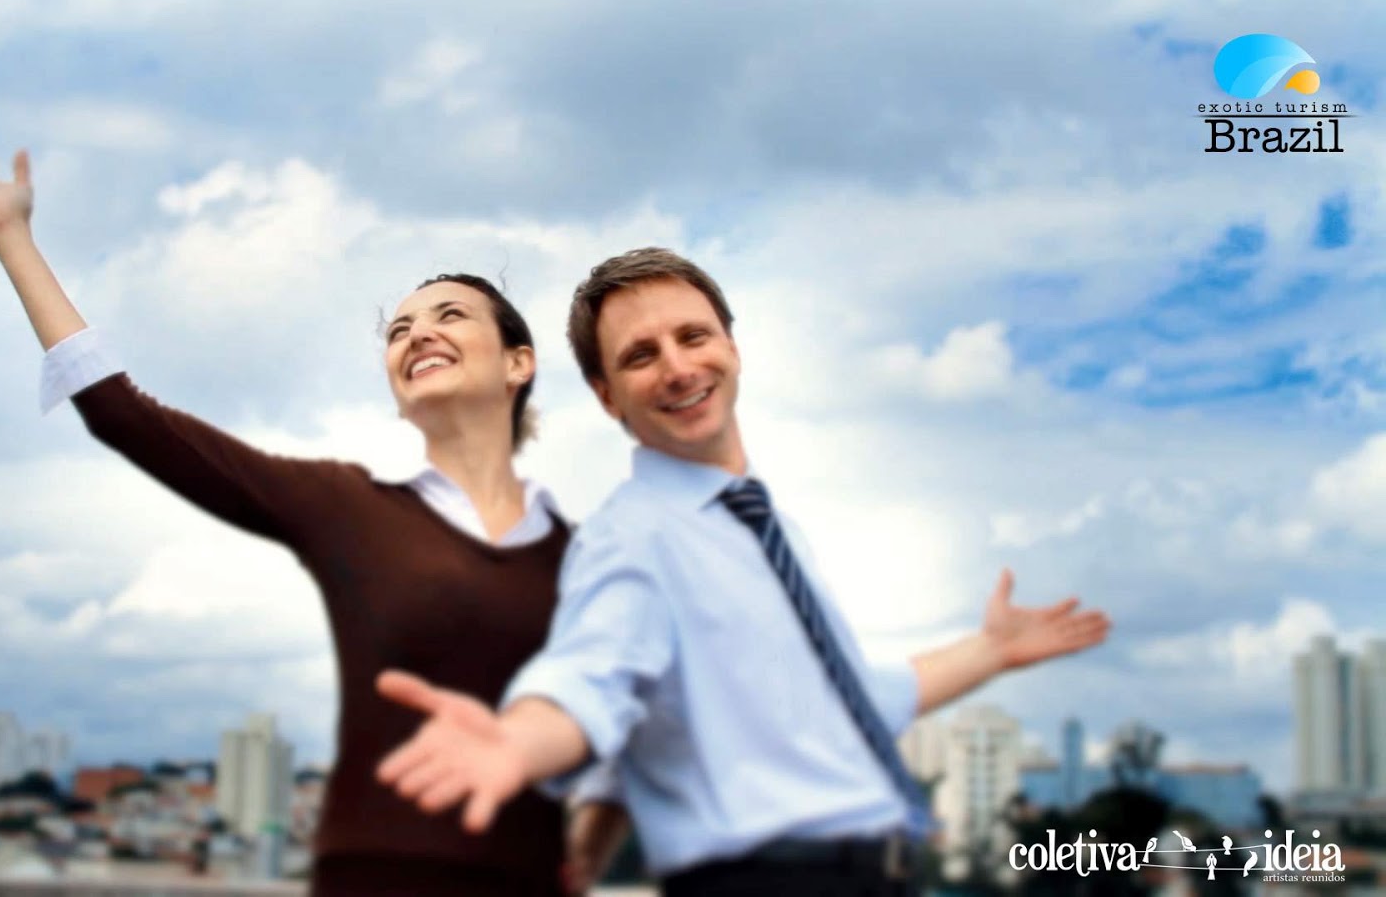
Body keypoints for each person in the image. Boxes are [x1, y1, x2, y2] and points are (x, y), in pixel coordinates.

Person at [0, 114, 626, 897]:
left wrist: (590, 845)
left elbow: (643, 722)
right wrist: (10, 235)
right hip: (372, 879)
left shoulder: (590, 560)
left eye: (448, 316)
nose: (417, 334)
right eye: (399, 330)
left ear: (519, 362)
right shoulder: (347, 506)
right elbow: (126, 417)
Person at [375, 247, 1113, 896]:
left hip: (872, 876)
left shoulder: (765, 528)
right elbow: (590, 678)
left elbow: (848, 702)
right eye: (640, 356)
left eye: (693, 336)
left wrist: (991, 650)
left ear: (731, 345)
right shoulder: (631, 539)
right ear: (606, 394)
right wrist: (515, 742)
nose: (678, 368)